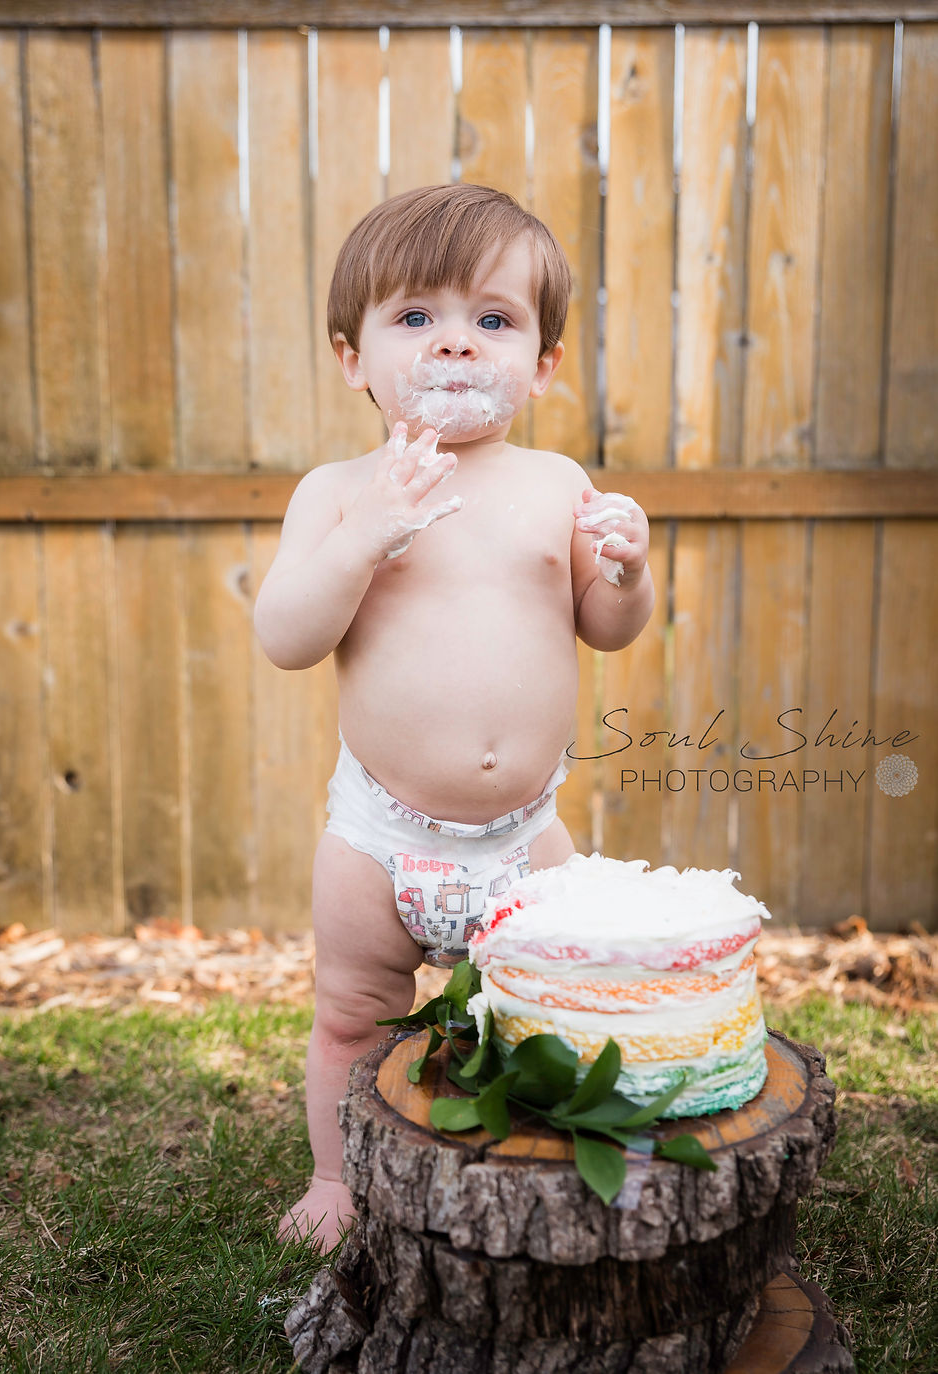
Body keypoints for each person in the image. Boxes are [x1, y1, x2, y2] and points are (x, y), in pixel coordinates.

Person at [254, 184, 655, 1251]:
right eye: (416, 316)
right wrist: (363, 539)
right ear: (353, 358)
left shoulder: (555, 485)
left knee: (554, 1007)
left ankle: (545, 1158)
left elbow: (606, 628)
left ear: (543, 363)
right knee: (353, 1014)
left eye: (493, 319)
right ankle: (336, 1180)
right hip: (378, 837)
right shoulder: (338, 493)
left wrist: (626, 572)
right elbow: (286, 636)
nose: (456, 343)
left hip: (526, 835)